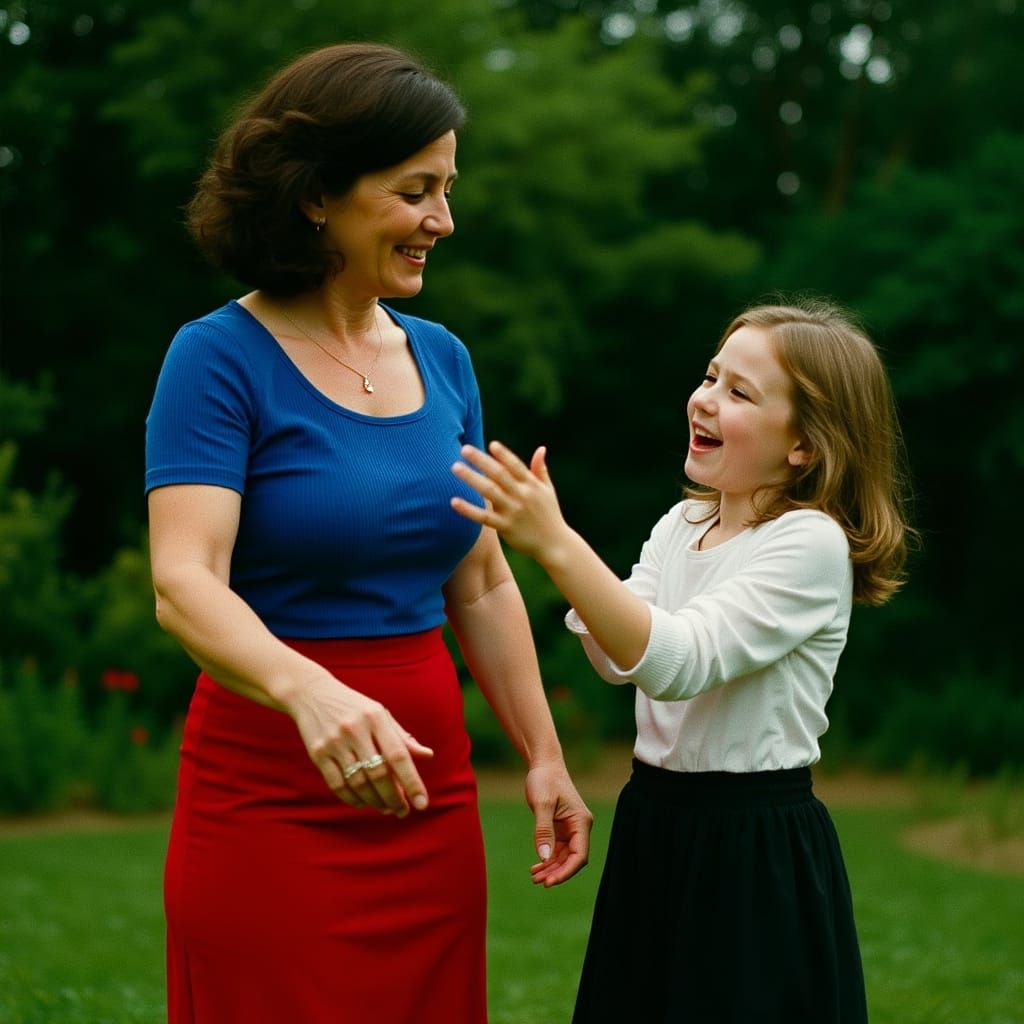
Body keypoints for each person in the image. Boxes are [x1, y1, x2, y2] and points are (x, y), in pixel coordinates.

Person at [145, 42, 591, 1024]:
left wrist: (543, 752)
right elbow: (184, 581)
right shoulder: (215, 359)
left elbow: (479, 580)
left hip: (429, 795)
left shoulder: (444, 359)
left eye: (447, 187)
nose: (444, 219)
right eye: (415, 190)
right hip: (266, 787)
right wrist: (310, 693)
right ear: (317, 198)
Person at [451, 300, 915, 1023]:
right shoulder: (684, 522)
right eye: (710, 376)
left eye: (740, 392)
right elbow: (613, 654)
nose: (704, 398)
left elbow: (675, 662)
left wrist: (555, 544)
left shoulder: (809, 544)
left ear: (805, 445)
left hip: (752, 847)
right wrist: (556, 548)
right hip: (654, 824)